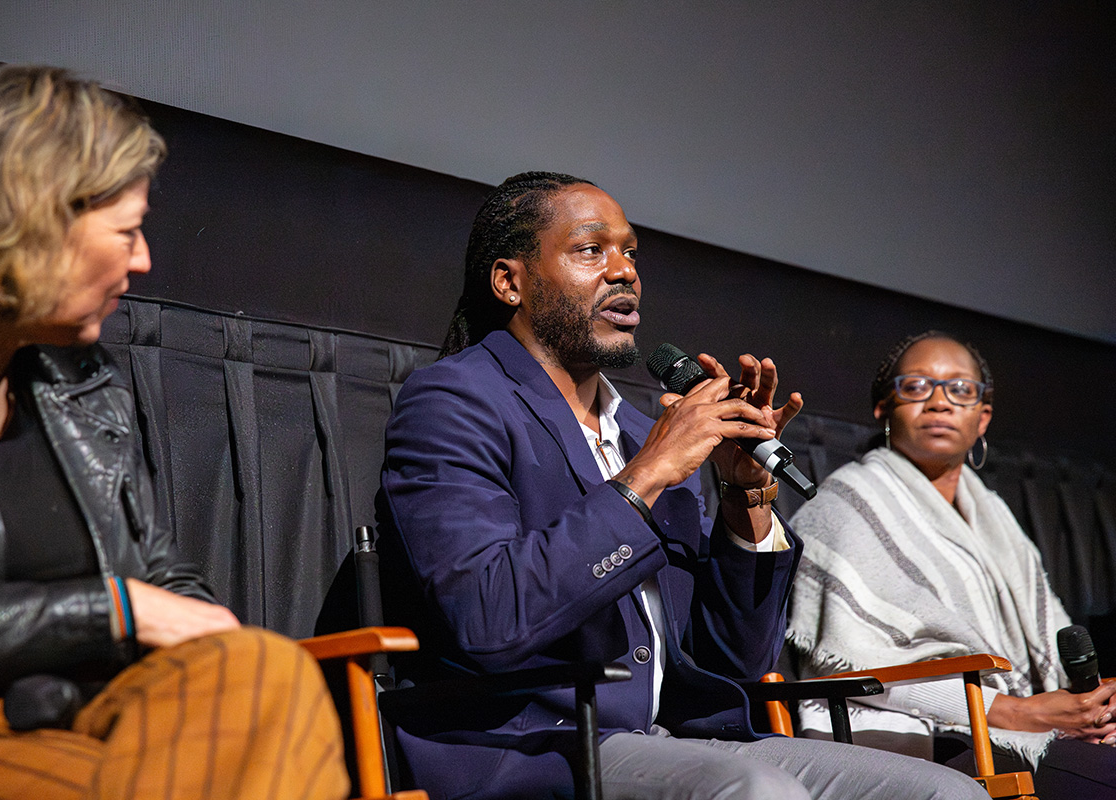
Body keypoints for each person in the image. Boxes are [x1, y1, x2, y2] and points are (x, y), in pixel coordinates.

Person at [376, 172, 989, 800]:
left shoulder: (642, 433)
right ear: (510, 281)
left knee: (949, 794)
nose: (624, 271)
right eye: (591, 249)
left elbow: (733, 663)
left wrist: (744, 498)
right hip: (530, 745)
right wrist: (647, 474)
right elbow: (487, 615)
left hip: (678, 739)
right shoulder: (453, 402)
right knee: (756, 791)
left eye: (630, 253)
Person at [0, 64, 349, 799]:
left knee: (267, 670)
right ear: (28, 225)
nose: (143, 259)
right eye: (126, 231)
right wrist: (111, 610)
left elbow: (157, 575)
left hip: (98, 719)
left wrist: (209, 631)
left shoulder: (85, 387)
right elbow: (134, 601)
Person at [786, 330, 1116, 798]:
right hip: (925, 744)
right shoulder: (841, 507)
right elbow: (851, 665)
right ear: (883, 408)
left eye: (960, 389)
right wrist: (1018, 712)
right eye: (916, 386)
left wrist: (1090, 707)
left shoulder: (992, 515)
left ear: (982, 419)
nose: (939, 403)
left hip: (1020, 731)